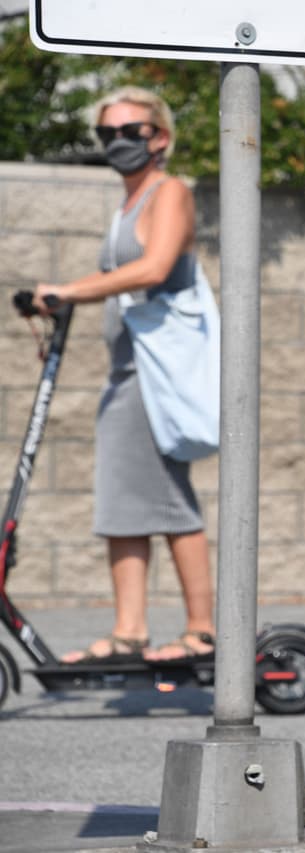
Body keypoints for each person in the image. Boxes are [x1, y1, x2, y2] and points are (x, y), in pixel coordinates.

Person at [33, 86, 215, 664]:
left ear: (158, 137)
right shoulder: (128, 203)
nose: (117, 143)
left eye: (129, 132)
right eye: (106, 134)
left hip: (153, 377)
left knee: (167, 502)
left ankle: (202, 632)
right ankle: (129, 631)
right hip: (126, 373)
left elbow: (155, 266)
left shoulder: (170, 193)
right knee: (122, 505)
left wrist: (70, 291)